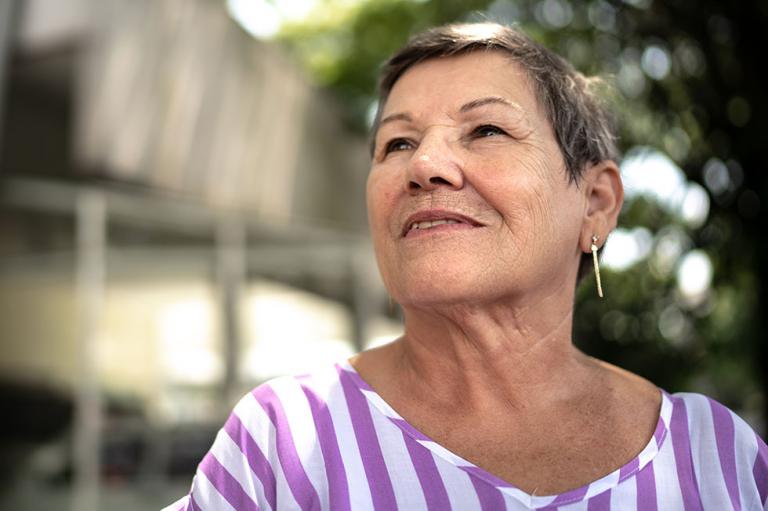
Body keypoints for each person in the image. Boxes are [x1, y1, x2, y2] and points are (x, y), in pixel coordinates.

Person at [164, 22, 767, 510]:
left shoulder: (721, 458)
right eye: (397, 143)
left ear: (595, 202)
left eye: (485, 130)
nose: (425, 165)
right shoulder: (283, 446)